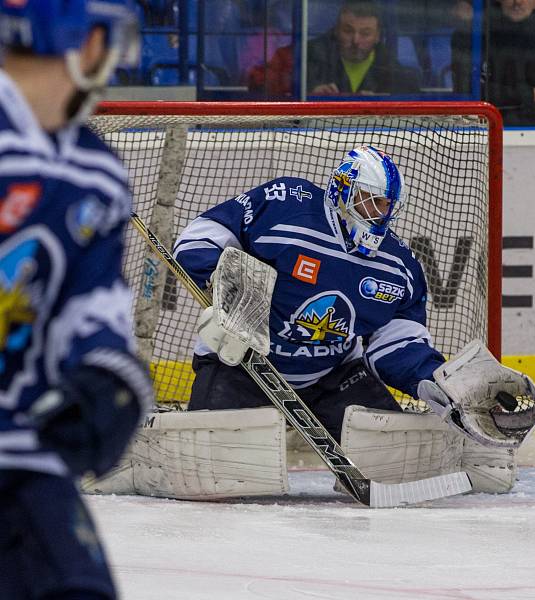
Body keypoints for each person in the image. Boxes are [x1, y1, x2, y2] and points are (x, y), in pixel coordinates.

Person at [0, 2, 152, 599]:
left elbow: (91, 311)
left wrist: (106, 379)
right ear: (82, 41)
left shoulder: (94, 173)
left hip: (22, 457)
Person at [175, 146, 443, 442]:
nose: (379, 214)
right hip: (242, 364)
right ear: (344, 189)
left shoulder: (398, 265)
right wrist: (217, 278)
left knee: (395, 454)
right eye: (372, 201)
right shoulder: (287, 203)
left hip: (331, 375)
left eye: (386, 205)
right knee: (212, 467)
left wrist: (434, 380)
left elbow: (397, 343)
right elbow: (206, 231)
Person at [247, 0, 421, 97]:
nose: (356, 40)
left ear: (377, 35)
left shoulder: (395, 71)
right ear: (336, 30)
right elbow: (258, 85)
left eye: (365, 33)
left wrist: (382, 106)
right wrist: (308, 94)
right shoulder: (305, 56)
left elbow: (413, 102)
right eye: (348, 31)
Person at [452, 0, 535, 126]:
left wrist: (501, 97)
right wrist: (526, 95)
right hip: (483, 134)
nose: (518, 2)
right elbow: (466, 93)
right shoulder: (471, 36)